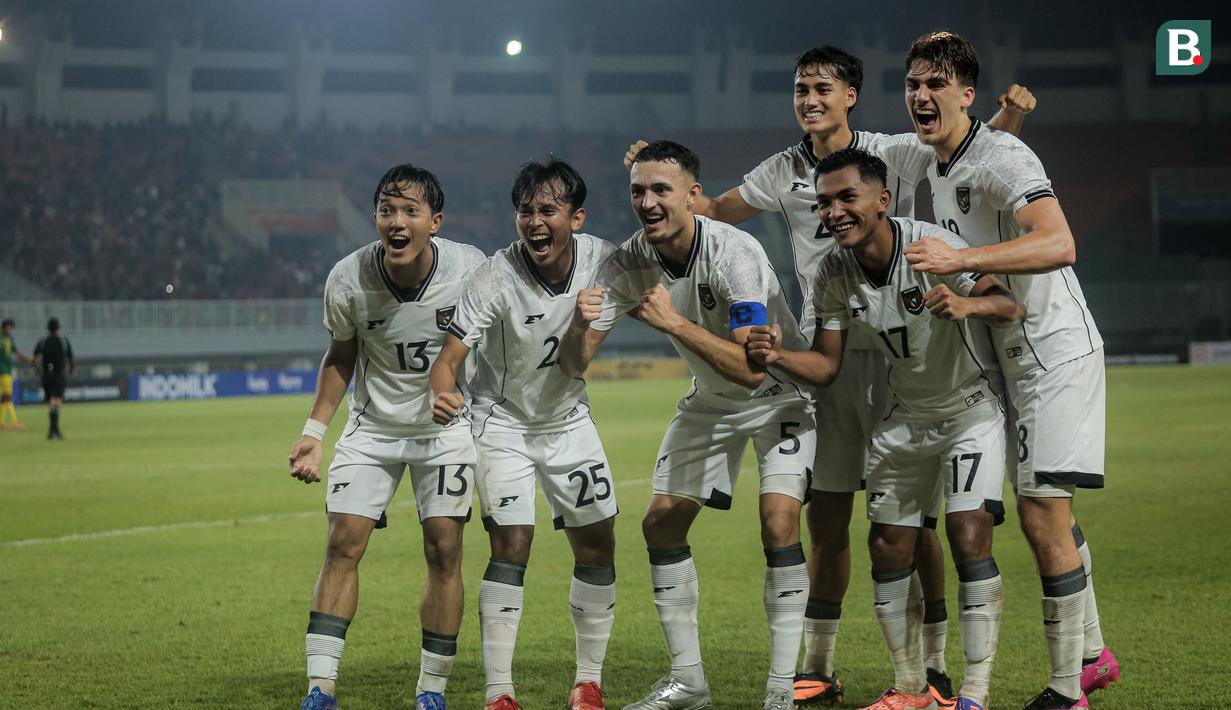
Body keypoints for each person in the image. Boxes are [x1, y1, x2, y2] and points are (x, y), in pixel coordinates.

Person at [622, 46, 1035, 707]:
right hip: (830, 355)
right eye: (798, 89)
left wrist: (1004, 120)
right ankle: (818, 663)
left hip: (906, 353)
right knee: (831, 512)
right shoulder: (779, 170)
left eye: (820, 87)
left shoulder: (888, 153)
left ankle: (930, 667)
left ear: (849, 95)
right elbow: (716, 212)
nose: (808, 98)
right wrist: (661, 185)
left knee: (914, 522)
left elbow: (963, 164)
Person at [747, 148, 1024, 710]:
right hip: (904, 418)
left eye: (847, 198)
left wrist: (966, 307)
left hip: (969, 409)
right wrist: (775, 353)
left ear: (882, 198)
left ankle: (974, 693)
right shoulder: (831, 271)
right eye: (824, 202)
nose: (833, 212)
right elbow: (826, 365)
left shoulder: (929, 246)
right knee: (887, 546)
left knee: (968, 533)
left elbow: (1007, 304)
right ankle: (911, 688)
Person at [893, 31, 1115, 710]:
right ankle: (1091, 655)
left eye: (935, 83)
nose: (920, 96)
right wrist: (964, 299)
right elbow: (976, 174)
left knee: (1040, 512)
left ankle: (1063, 693)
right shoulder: (944, 163)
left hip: (1054, 352)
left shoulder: (1003, 155)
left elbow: (1059, 241)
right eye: (912, 84)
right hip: (1013, 353)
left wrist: (956, 263)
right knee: (1051, 515)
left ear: (964, 93)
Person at [561, 140, 814, 710]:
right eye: (638, 192)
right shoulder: (627, 262)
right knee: (661, 526)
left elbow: (753, 370)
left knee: (778, 524)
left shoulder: (736, 252)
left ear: (693, 195)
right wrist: (579, 327)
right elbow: (578, 362)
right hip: (709, 400)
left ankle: (779, 692)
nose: (647, 202)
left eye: (661, 190)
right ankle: (689, 682)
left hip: (780, 397)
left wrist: (673, 322)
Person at [287, 164, 486, 710]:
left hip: (442, 432)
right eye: (386, 210)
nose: (395, 222)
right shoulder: (347, 278)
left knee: (444, 547)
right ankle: (321, 688)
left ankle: (432, 691)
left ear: (434, 222)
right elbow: (341, 356)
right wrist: (314, 432)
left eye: (409, 211)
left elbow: (494, 343)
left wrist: (471, 400)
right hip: (371, 429)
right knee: (342, 542)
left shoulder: (471, 269)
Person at [429, 159, 619, 710]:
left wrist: (585, 323)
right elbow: (448, 361)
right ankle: (499, 693)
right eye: (525, 210)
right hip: (502, 421)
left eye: (547, 209)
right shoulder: (495, 275)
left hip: (568, 419)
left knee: (598, 541)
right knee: (512, 544)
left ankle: (588, 682)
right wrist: (443, 392)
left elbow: (575, 365)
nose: (534, 221)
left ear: (576, 217)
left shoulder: (605, 264)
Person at [32, 318, 74, 440]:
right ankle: (53, 431)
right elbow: (71, 359)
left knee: (51, 401)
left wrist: (38, 371)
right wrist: (70, 370)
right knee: (57, 401)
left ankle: (54, 431)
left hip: (47, 375)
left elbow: (34, 359)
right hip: (59, 374)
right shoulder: (63, 341)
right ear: (58, 327)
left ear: (48, 328)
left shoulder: (43, 341)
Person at [1, 318, 32, 430]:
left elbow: (17, 352)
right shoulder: (4, 339)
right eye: (9, 327)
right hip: (4, 371)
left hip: (6, 371)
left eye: (12, 328)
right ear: (4, 327)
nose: (11, 330)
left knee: (4, 397)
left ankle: (1, 422)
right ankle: (14, 421)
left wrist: (29, 360)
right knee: (7, 397)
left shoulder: (9, 339)